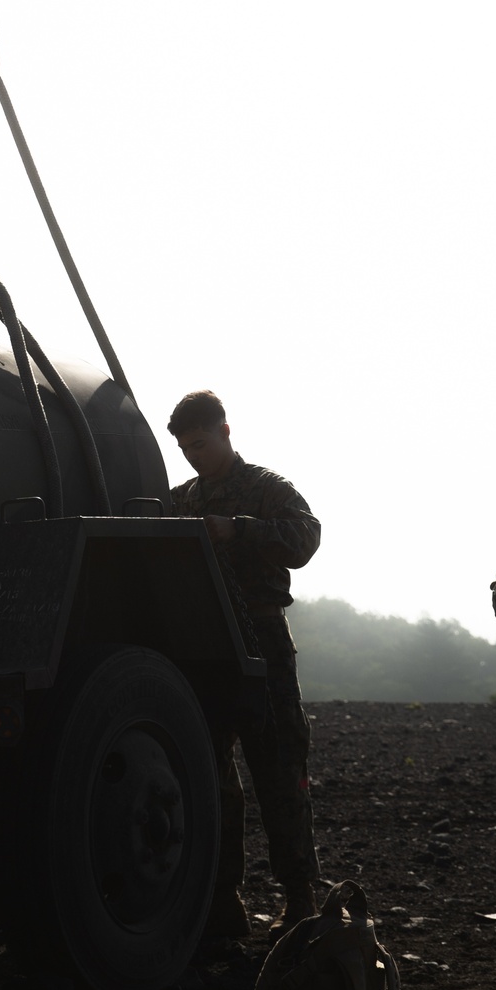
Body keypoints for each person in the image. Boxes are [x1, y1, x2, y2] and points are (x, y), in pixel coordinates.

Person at [167, 390, 321, 941]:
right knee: (211, 775)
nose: (193, 456)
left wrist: (241, 527)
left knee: (279, 769)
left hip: (260, 639)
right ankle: (222, 899)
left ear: (226, 433)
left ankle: (301, 898)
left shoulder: (265, 488)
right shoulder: (180, 499)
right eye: (184, 449)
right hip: (203, 646)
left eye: (201, 444)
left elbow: (306, 538)